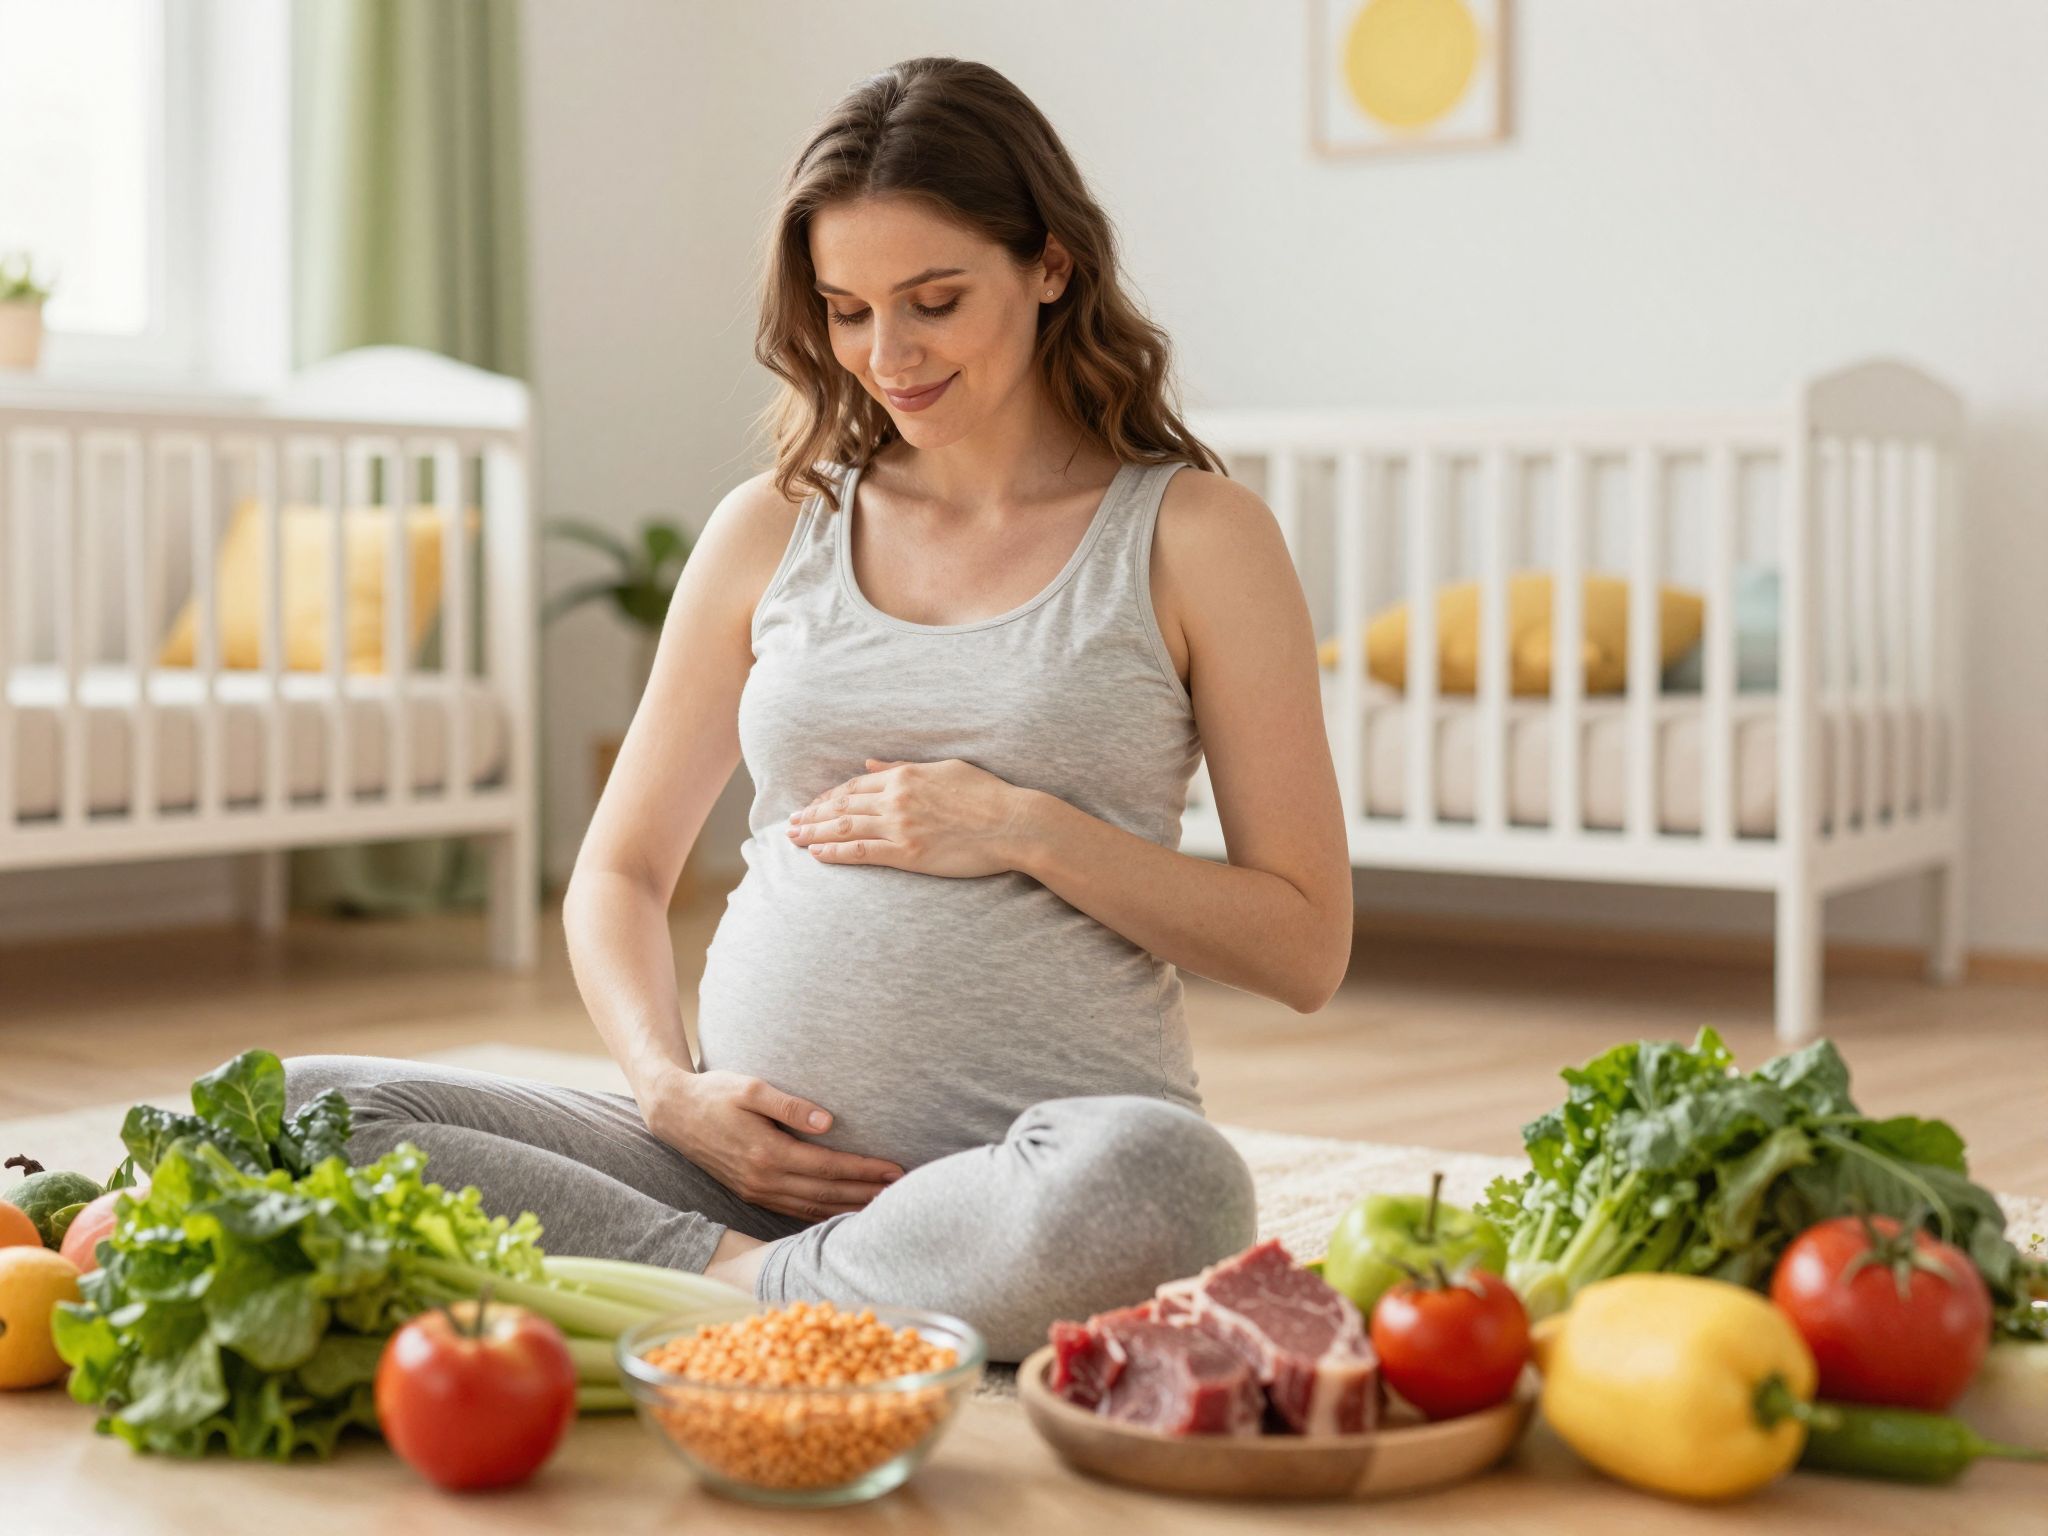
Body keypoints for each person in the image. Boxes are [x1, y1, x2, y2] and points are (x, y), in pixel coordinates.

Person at [283, 56, 1352, 1363]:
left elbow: (1305, 947)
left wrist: (1021, 827)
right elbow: (617, 870)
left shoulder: (1195, 535)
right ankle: (761, 1288)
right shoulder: (769, 527)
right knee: (292, 1114)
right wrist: (668, 1094)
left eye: (935, 301)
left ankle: (721, 1295)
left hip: (1024, 1184)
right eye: (847, 310)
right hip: (730, 1173)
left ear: (1053, 266)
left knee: (1168, 1187)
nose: (886, 356)